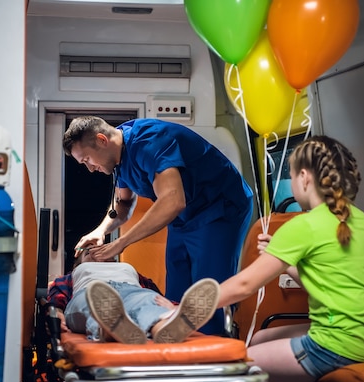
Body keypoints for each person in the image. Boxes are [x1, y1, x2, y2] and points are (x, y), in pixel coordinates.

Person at [212, 136, 364, 382]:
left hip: (339, 343)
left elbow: (245, 284)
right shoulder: (360, 220)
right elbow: (328, 281)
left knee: (236, 371)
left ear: (305, 177)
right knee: (261, 339)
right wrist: (285, 263)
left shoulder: (303, 226)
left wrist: (190, 307)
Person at [63, 116, 253, 336]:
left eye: (87, 159)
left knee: (206, 290)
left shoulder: (150, 141)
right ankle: (172, 345)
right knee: (174, 293)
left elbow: (173, 200)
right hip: (183, 217)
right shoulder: (118, 157)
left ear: (102, 140)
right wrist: (100, 231)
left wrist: (120, 244)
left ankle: (210, 353)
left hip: (219, 208)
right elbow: (123, 203)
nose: (89, 168)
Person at [46, 246, 221, 344]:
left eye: (101, 250)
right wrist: (57, 316)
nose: (96, 253)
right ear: (77, 264)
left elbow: (153, 295)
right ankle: (107, 330)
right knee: (97, 304)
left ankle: (163, 329)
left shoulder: (127, 269)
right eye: (89, 252)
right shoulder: (74, 275)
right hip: (90, 292)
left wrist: (174, 307)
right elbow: (57, 298)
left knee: (146, 301)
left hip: (131, 290)